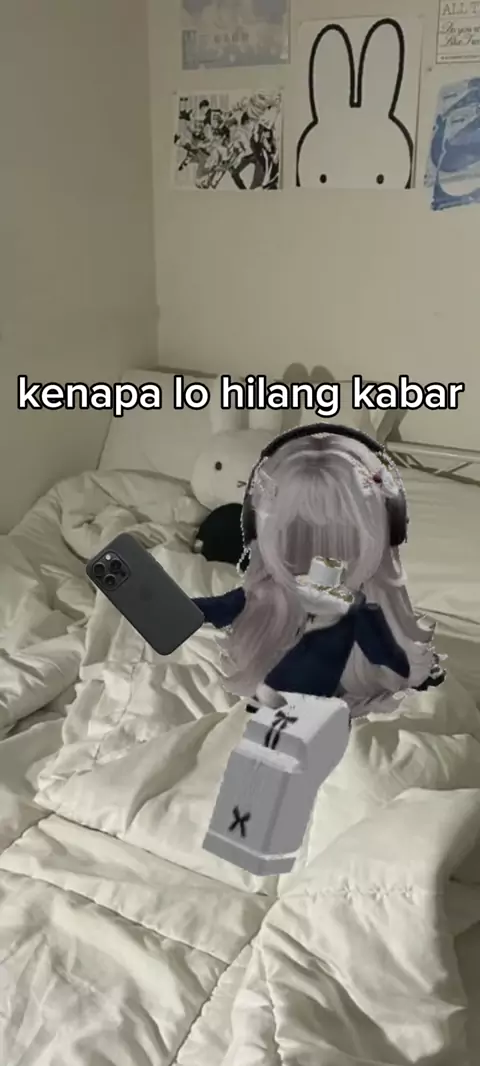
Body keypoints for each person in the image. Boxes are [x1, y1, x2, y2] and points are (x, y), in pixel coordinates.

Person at [193, 428, 444, 719]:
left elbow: (393, 661)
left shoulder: (359, 613)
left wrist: (416, 672)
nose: (313, 551)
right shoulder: (265, 596)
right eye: (295, 532)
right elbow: (208, 610)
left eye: (339, 536)